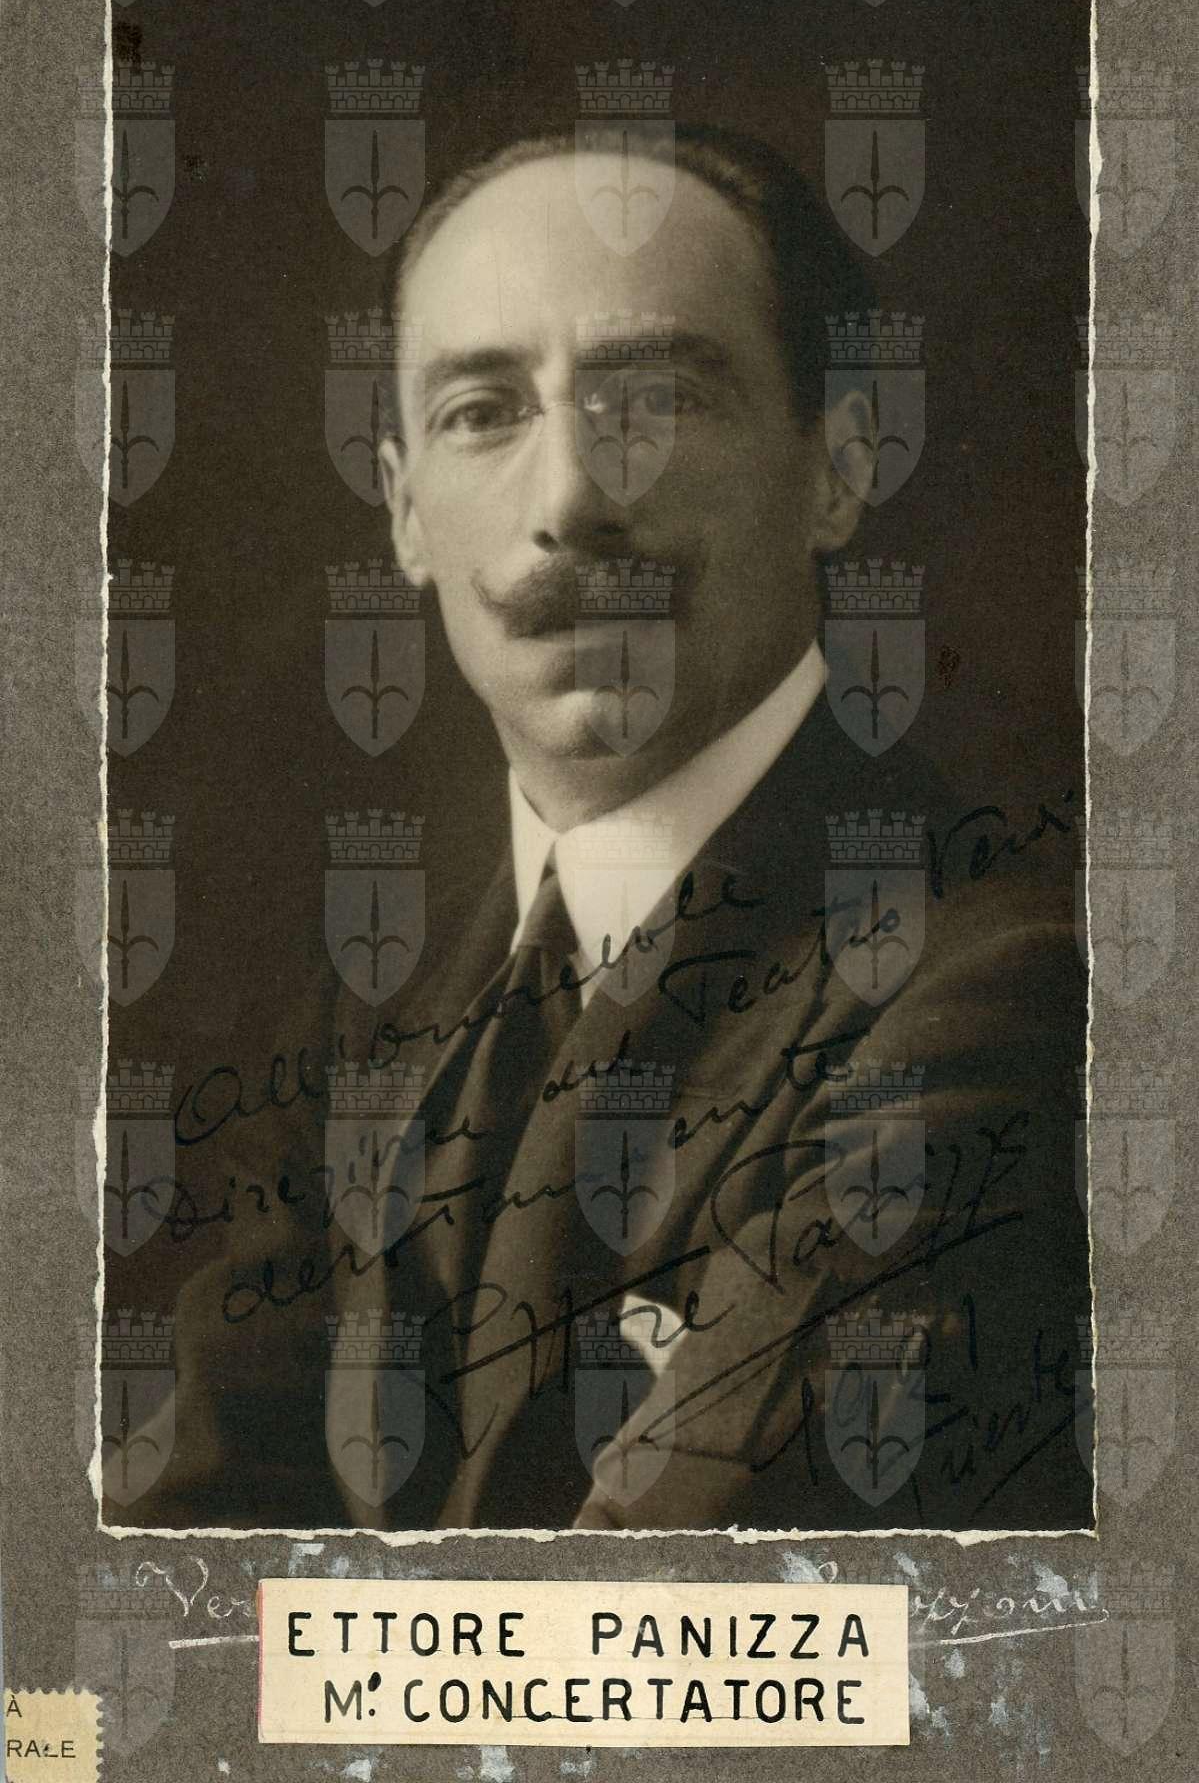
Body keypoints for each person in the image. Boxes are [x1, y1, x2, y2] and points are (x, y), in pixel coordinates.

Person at [114, 126, 1090, 1535]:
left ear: (837, 467)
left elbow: (648, 1629)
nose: (569, 500)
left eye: (657, 397)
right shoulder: (373, 1021)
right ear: (405, 512)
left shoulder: (998, 994)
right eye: (482, 412)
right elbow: (161, 1576)